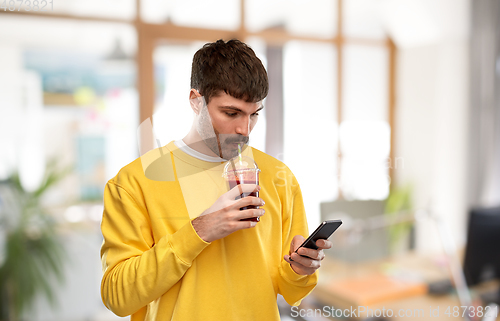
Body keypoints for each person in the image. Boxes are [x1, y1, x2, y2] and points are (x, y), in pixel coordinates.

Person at [100, 39, 332, 321]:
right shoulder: (134, 182)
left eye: (254, 114)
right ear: (196, 101)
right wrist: (199, 230)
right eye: (231, 113)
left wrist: (300, 269)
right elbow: (118, 298)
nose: (244, 130)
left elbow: (291, 290)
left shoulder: (279, 177)